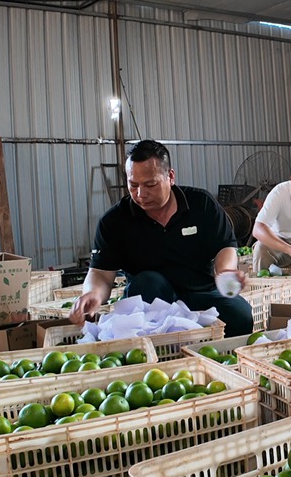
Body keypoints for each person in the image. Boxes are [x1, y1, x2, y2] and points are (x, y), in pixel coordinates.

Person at [68, 140, 253, 337]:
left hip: (199, 293)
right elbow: (101, 274)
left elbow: (225, 247)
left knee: (241, 316)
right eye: (133, 185)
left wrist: (226, 272)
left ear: (170, 177)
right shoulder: (114, 221)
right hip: (149, 301)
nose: (141, 194)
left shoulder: (201, 204)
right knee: (148, 281)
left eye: (150, 185)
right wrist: (93, 295)